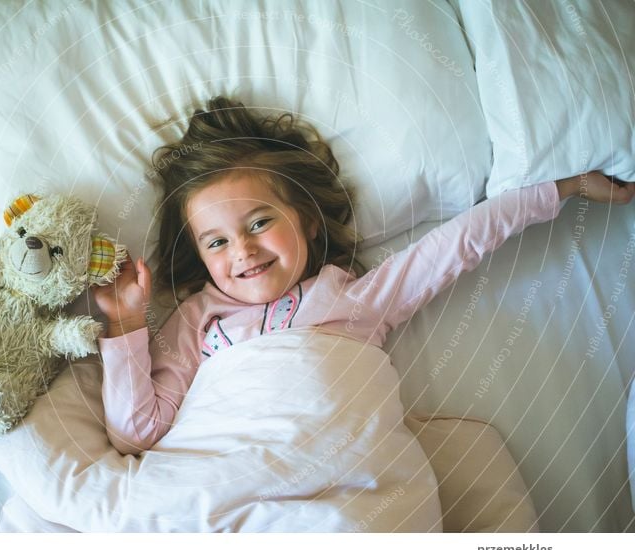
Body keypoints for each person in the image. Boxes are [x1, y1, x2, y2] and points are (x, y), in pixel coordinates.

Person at [93, 96, 634, 455]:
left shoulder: (355, 297)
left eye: (259, 222)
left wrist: (562, 188)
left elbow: (456, 244)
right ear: (201, 256)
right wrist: (124, 325)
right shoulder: (196, 320)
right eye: (217, 242)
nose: (244, 250)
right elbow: (136, 433)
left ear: (304, 219)